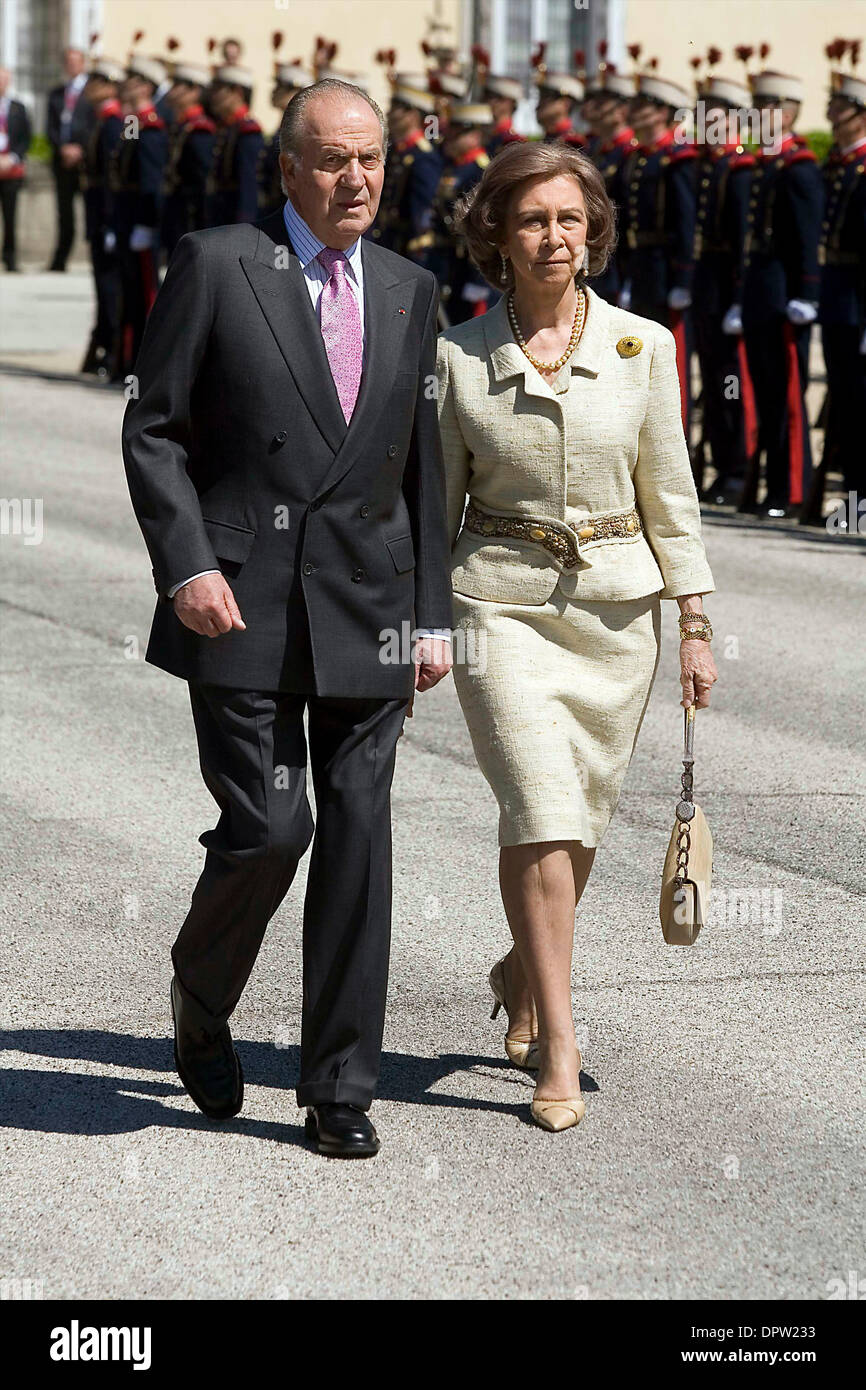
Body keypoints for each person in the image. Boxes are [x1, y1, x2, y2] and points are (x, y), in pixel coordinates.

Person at [121, 79, 453, 1159]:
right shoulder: (221, 264)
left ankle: (337, 1084)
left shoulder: (409, 289)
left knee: (359, 837)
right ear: (290, 172)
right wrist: (185, 566)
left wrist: (432, 616)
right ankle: (200, 991)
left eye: (372, 158)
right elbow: (155, 427)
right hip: (241, 598)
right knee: (271, 828)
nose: (357, 177)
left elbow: (424, 468)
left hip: (369, 604)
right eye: (333, 160)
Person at [436, 141, 717, 1132]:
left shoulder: (644, 347)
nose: (552, 236)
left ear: (591, 230)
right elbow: (435, 507)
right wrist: (426, 621)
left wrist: (691, 620)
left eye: (567, 219)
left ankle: (520, 965)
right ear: (495, 237)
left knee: (580, 817)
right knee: (539, 806)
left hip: (615, 612)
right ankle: (558, 1037)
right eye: (529, 221)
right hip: (496, 604)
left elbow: (669, 495)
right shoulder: (456, 356)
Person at [740, 70, 823, 519]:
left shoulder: (800, 166)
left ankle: (792, 489)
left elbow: (808, 236)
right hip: (760, 291)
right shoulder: (766, 163)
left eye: (765, 108)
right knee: (767, 393)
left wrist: (807, 292)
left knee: (788, 396)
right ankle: (770, 486)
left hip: (784, 293)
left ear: (786, 113)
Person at [691, 72, 755, 506]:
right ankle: (718, 463)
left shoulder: (741, 169)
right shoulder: (707, 166)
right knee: (712, 382)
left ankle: (736, 469)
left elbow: (746, 242)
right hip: (706, 287)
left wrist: (738, 299)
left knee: (731, 381)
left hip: (729, 289)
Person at [623, 72, 697, 435]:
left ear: (664, 112)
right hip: (642, 269)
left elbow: (686, 224)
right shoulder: (639, 159)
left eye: (644, 106)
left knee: (673, 360)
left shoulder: (677, 159)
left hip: (667, 270)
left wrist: (683, 277)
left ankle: (676, 439)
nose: (635, 111)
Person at [814, 68, 866, 520]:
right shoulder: (841, 164)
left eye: (839, 107)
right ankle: (854, 498)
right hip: (837, 298)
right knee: (846, 403)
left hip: (858, 303)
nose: (831, 114)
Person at [109, 56, 168, 378]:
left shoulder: (152, 127)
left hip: (138, 223)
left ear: (145, 86)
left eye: (131, 80)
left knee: (145, 296)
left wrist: (145, 224)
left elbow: (151, 183)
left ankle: (145, 369)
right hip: (126, 221)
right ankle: (126, 363)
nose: (123, 85)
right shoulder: (133, 123)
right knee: (128, 293)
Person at [79, 57, 124, 376]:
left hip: (105, 215)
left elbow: (112, 177)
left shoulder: (112, 123)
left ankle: (110, 349)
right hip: (98, 214)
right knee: (102, 283)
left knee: (110, 286)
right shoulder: (101, 120)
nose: (89, 88)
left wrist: (109, 220)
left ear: (109, 86)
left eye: (96, 81)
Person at [427, 103, 492, 324]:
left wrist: (479, 281)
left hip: (469, 268)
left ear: (474, 135)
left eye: (457, 134)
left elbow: (485, 230)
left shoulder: (481, 171)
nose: (450, 139)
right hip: (448, 264)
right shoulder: (452, 167)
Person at [367, 74, 442, 262]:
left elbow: (422, 212)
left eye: (396, 108)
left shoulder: (423, 157)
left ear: (412, 115)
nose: (389, 113)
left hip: (403, 248)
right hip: (385, 240)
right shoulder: (395, 151)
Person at [582, 63, 634, 305]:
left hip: (620, 261)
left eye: (603, 104)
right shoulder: (596, 151)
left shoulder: (629, 153)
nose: (594, 109)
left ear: (621, 111)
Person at [46, 47, 94, 272]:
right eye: (68, 62)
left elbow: (99, 129)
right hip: (62, 161)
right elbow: (50, 127)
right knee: (64, 214)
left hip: (86, 163)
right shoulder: (56, 93)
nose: (72, 66)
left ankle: (97, 255)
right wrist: (62, 148)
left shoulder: (94, 93)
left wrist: (81, 150)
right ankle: (60, 258)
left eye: (76, 61)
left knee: (93, 212)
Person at [160, 62, 215, 258]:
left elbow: (201, 178)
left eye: (178, 86)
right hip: (177, 210)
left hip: (190, 213)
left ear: (194, 91)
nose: (172, 91)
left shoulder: (199, 130)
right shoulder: (180, 125)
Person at [206, 64, 263, 226]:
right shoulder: (227, 127)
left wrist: (245, 224)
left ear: (237, 92)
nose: (213, 96)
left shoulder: (247, 131)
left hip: (234, 215)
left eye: (219, 90)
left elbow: (249, 183)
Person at [258, 60, 312, 218]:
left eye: (281, 88)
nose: (274, 92)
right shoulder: (281, 127)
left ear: (297, 92)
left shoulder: (301, 132)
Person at [0, 67, 31, 273]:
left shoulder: (132, 118)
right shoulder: (131, 118)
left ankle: (10, 257)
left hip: (132, 196)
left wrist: (12, 158)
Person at [482, 75, 525, 158]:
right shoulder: (490, 135)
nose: (488, 101)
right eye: (486, 96)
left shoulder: (511, 139)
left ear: (509, 101)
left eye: (493, 97)